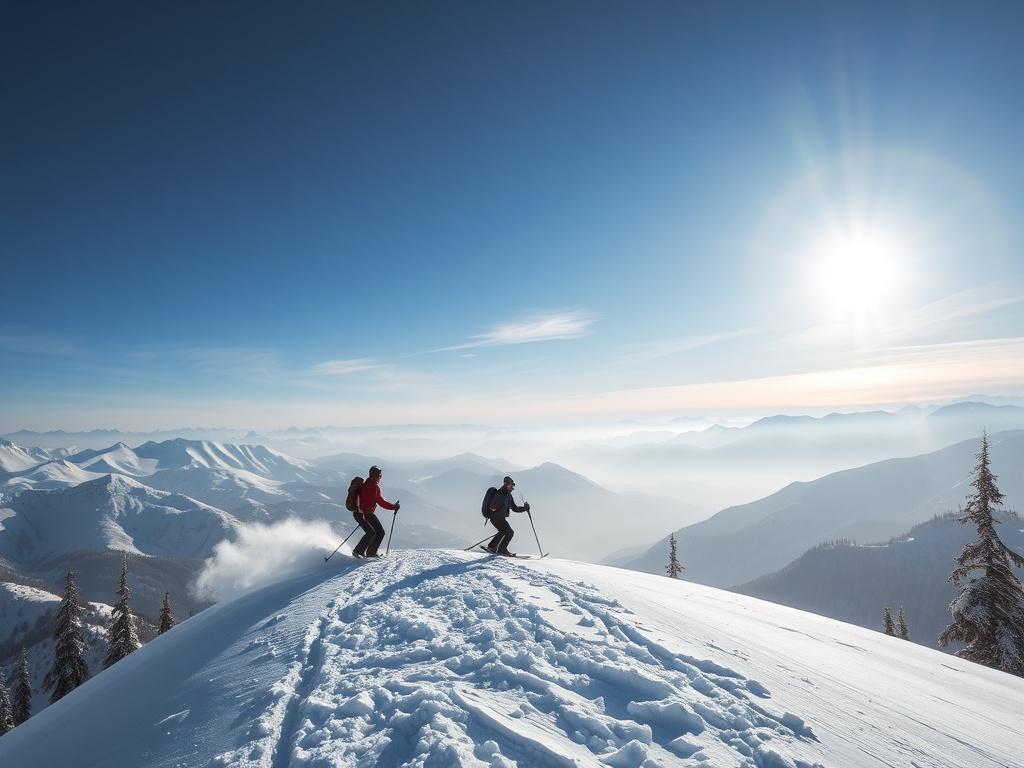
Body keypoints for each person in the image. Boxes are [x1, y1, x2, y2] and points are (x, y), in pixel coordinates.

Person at [353, 465, 399, 558]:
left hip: (360, 513)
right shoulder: (374, 487)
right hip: (364, 514)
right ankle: (360, 552)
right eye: (380, 475)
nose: (380, 477)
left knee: (375, 532)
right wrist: (393, 507)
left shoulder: (365, 484)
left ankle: (368, 552)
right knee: (375, 532)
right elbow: (381, 502)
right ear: (377, 476)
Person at [484, 476, 529, 556]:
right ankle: (500, 549)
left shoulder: (508, 495)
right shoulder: (500, 494)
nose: (511, 487)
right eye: (510, 485)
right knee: (509, 532)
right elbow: (492, 507)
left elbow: (514, 508)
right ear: (505, 484)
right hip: (495, 517)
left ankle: (493, 547)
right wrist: (495, 511)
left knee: (504, 531)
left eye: (512, 485)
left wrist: (525, 508)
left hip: (500, 518)